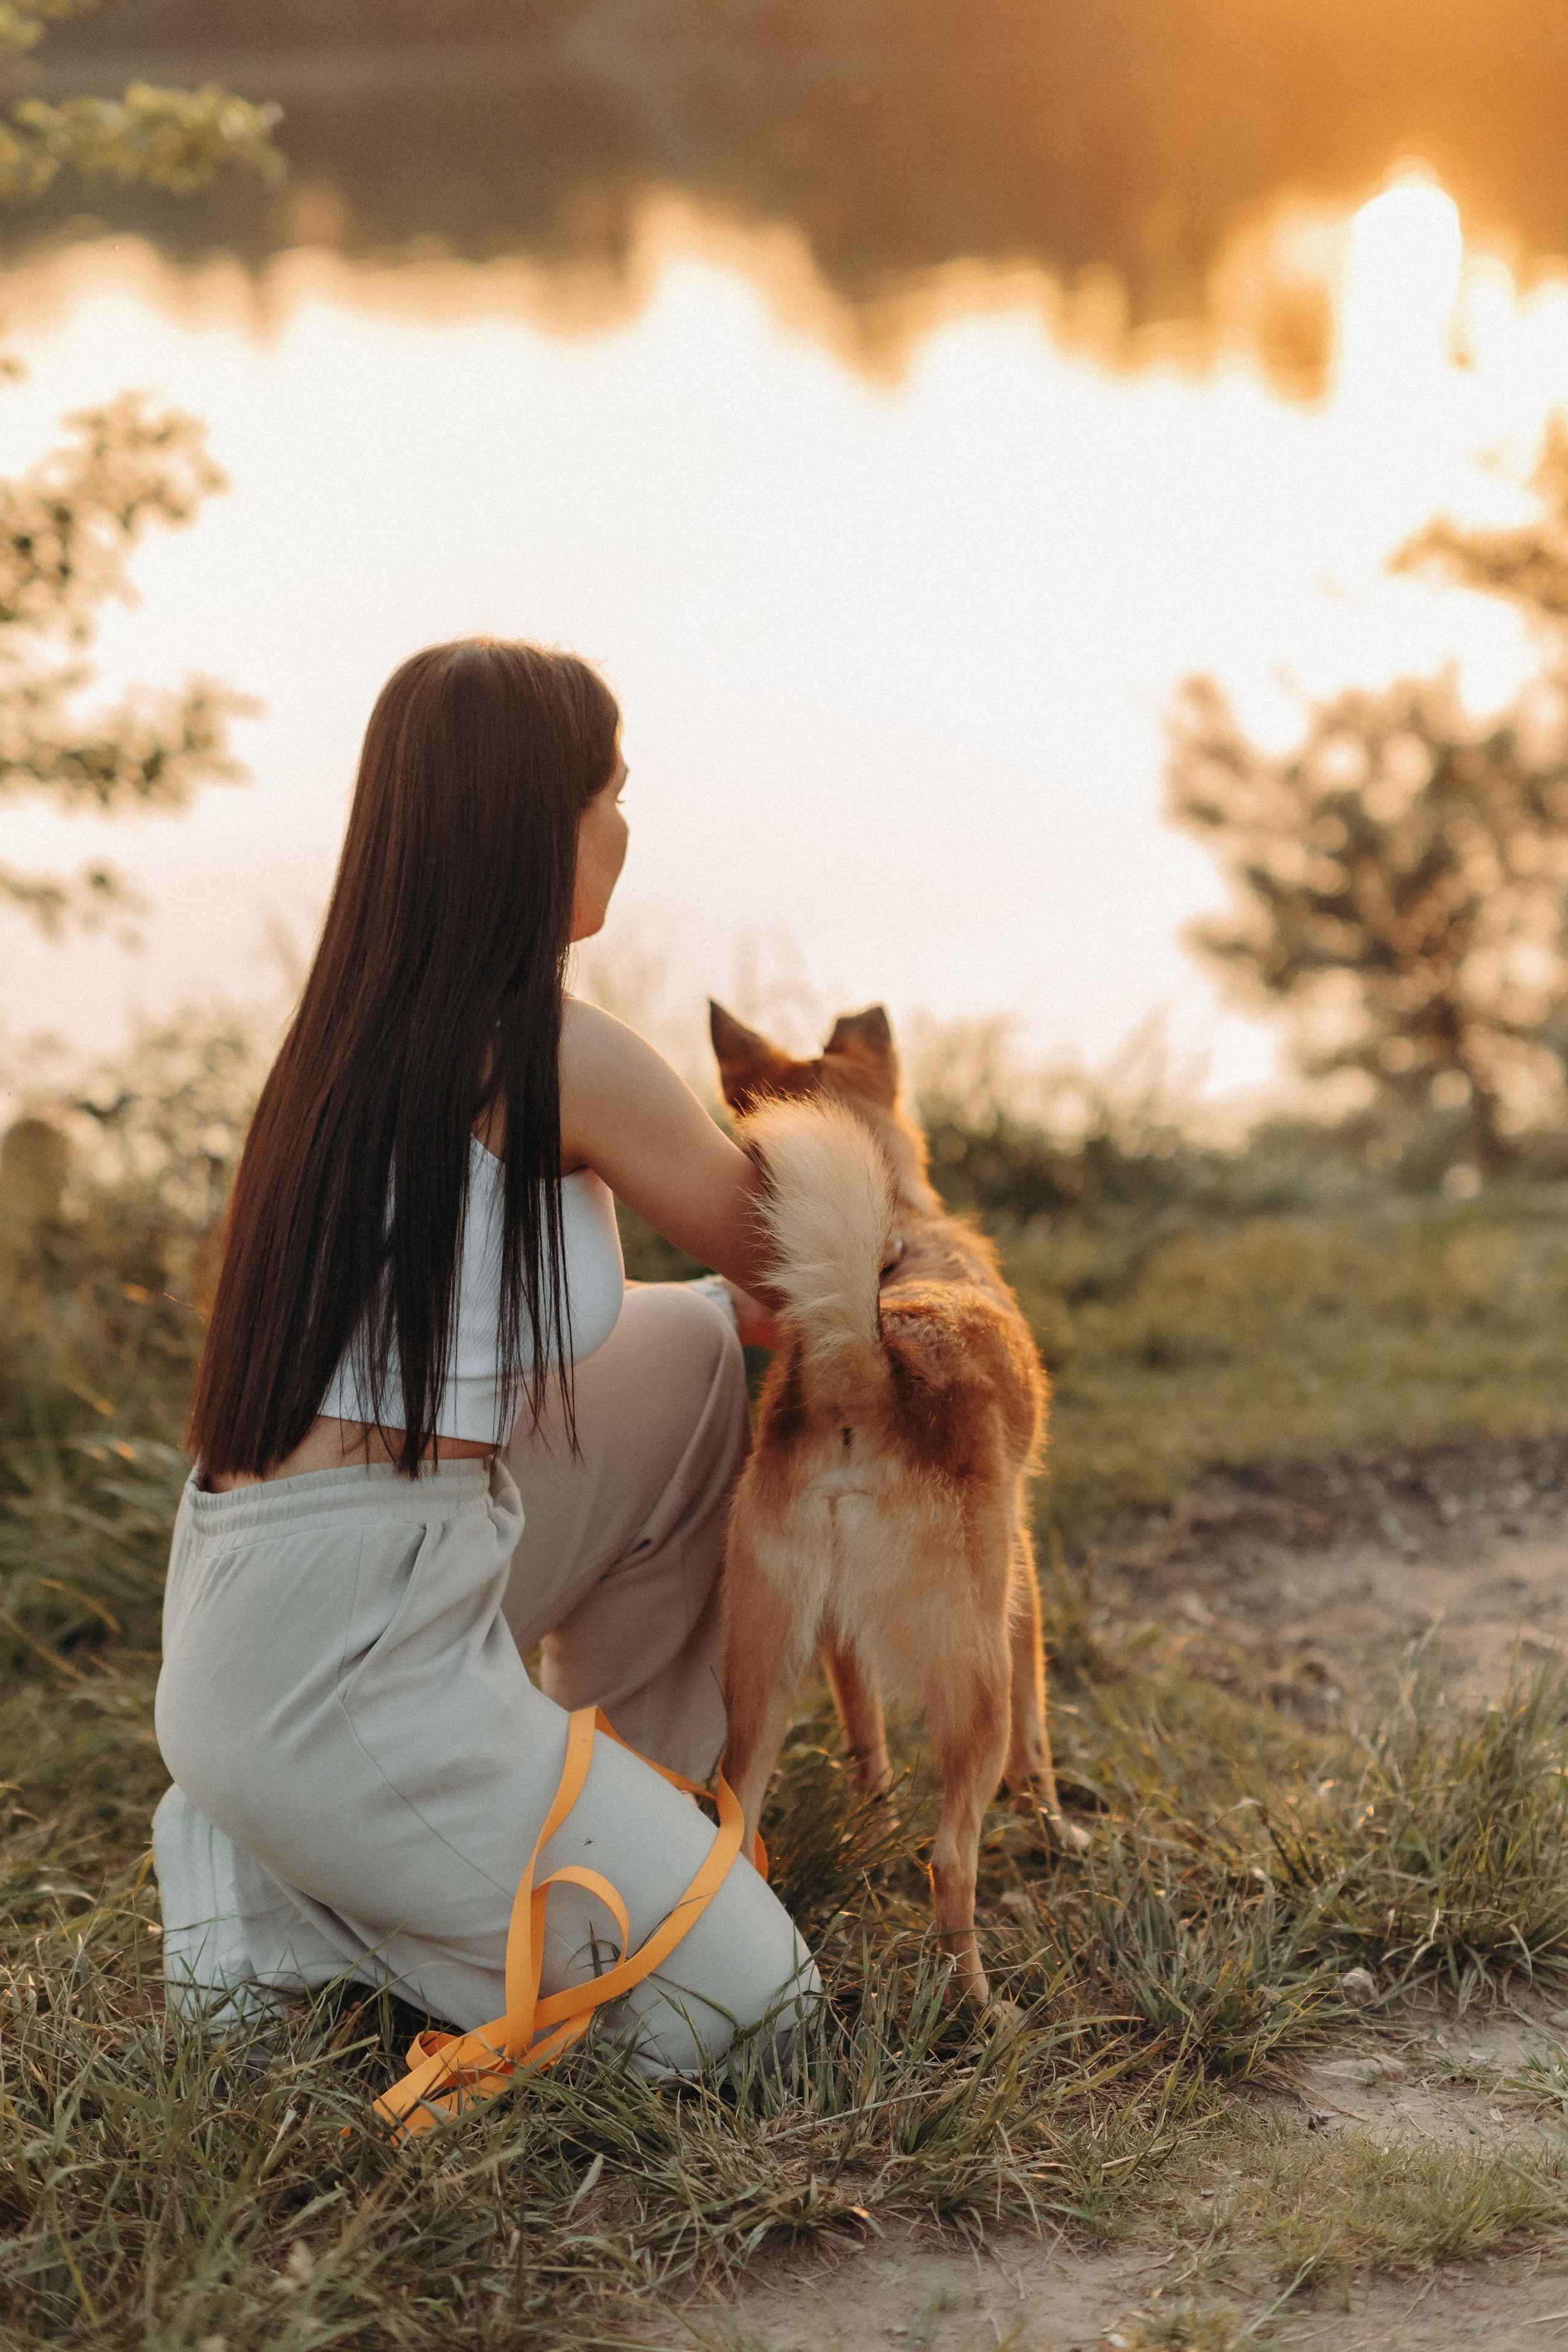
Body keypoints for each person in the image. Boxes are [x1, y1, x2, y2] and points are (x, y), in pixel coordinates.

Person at [153, 637, 815, 2089]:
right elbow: (805, 1257)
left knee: (692, 1346)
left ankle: (617, 1799)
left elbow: (743, 1306)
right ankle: (285, 1897)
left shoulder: (350, 1035)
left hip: (281, 1601)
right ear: (538, 826)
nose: (624, 830)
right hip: (340, 1671)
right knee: (750, 2014)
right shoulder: (557, 1051)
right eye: (611, 797)